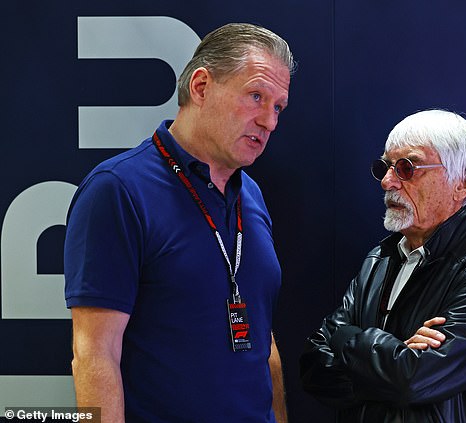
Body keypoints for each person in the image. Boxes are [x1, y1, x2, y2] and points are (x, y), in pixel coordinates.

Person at [64, 23, 295, 422]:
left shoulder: (251, 195)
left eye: (277, 106)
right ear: (201, 87)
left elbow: (261, 338)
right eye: (256, 96)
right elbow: (93, 355)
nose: (269, 122)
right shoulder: (118, 190)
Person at [300, 109, 466, 422]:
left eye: (407, 168)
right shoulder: (379, 260)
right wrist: (396, 355)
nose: (387, 182)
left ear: (461, 183)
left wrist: (344, 337)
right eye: (385, 167)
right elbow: (314, 369)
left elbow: (413, 380)